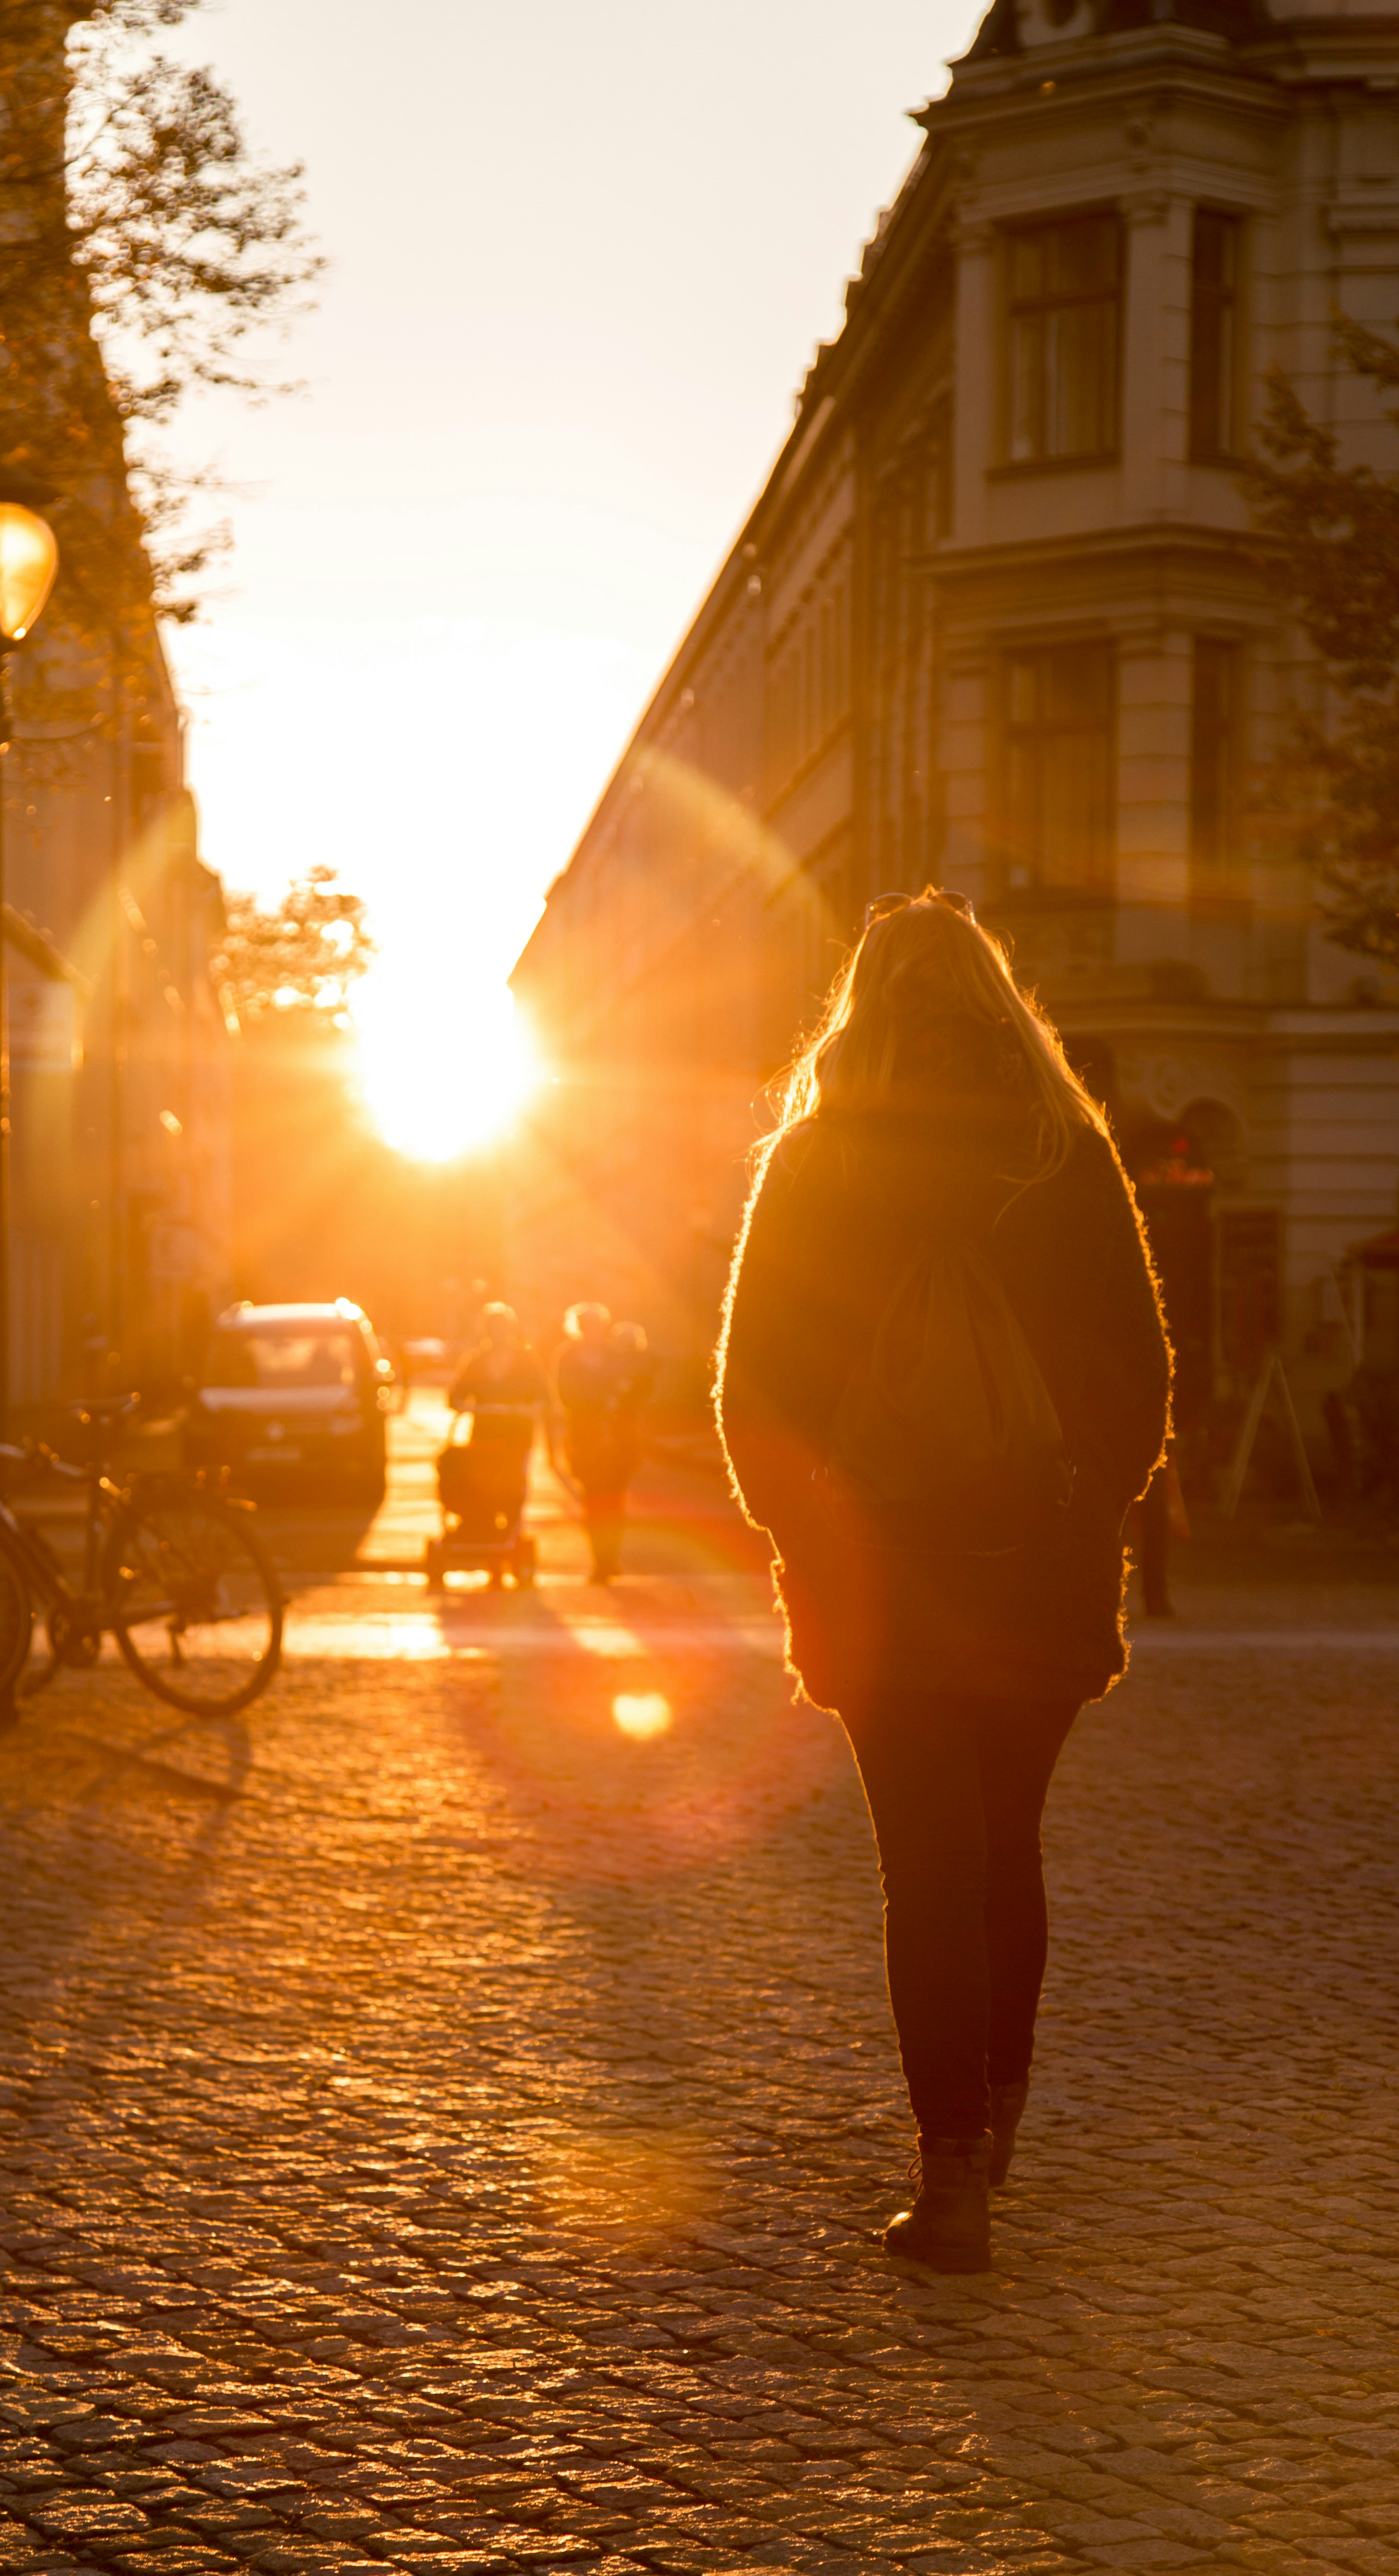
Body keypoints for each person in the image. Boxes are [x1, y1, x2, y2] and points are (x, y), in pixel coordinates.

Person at [716, 889, 1170, 2273]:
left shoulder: (813, 1161)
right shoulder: (1067, 1151)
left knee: (926, 1870)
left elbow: (751, 1394)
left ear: (861, 1007)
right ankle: (1002, 2123)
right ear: (999, 1002)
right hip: (1036, 1568)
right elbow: (1138, 1383)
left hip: (881, 1578)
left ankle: (952, 2175)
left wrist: (813, 1540)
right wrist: (1079, 1513)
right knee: (1004, 1853)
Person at [552, 1303, 650, 1582]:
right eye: (587, 1326)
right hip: (585, 1438)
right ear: (578, 1328)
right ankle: (599, 1560)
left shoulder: (615, 1355)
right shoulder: (567, 1356)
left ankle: (611, 1558)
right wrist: (600, 1401)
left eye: (597, 1326)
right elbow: (565, 1395)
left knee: (616, 1501)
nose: (592, 1331)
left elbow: (635, 1384)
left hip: (619, 1439)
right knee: (594, 1500)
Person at [447, 1303, 545, 1534]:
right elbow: (457, 1393)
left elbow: (543, 1395)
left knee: (513, 1481)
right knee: (483, 1482)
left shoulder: (527, 1360)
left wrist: (530, 1409)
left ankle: (512, 1528)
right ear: (486, 1331)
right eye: (492, 1328)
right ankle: (484, 1526)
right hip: (486, 1432)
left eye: (502, 1327)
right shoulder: (476, 1360)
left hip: (517, 1433)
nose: (498, 1333)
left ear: (511, 1329)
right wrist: (462, 1405)